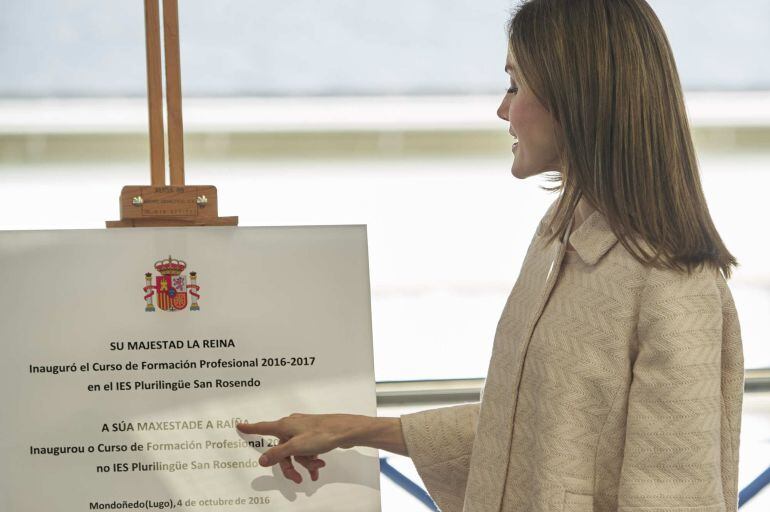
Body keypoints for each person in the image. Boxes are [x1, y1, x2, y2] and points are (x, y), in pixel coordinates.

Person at [236, 0, 744, 510]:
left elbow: (677, 496)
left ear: (576, 96)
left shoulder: (675, 283)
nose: (503, 110)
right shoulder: (556, 241)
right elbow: (523, 433)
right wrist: (353, 429)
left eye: (514, 84)